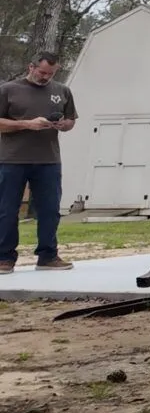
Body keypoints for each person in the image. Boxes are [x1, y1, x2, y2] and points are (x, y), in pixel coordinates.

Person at [0, 52, 78, 272]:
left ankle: (48, 256)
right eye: (42, 72)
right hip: (11, 160)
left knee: (50, 210)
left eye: (51, 74)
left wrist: (64, 125)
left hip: (49, 160)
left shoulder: (62, 91)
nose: (45, 77)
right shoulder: (8, 90)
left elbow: (71, 120)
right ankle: (4, 258)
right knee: (7, 209)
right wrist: (26, 124)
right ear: (31, 67)